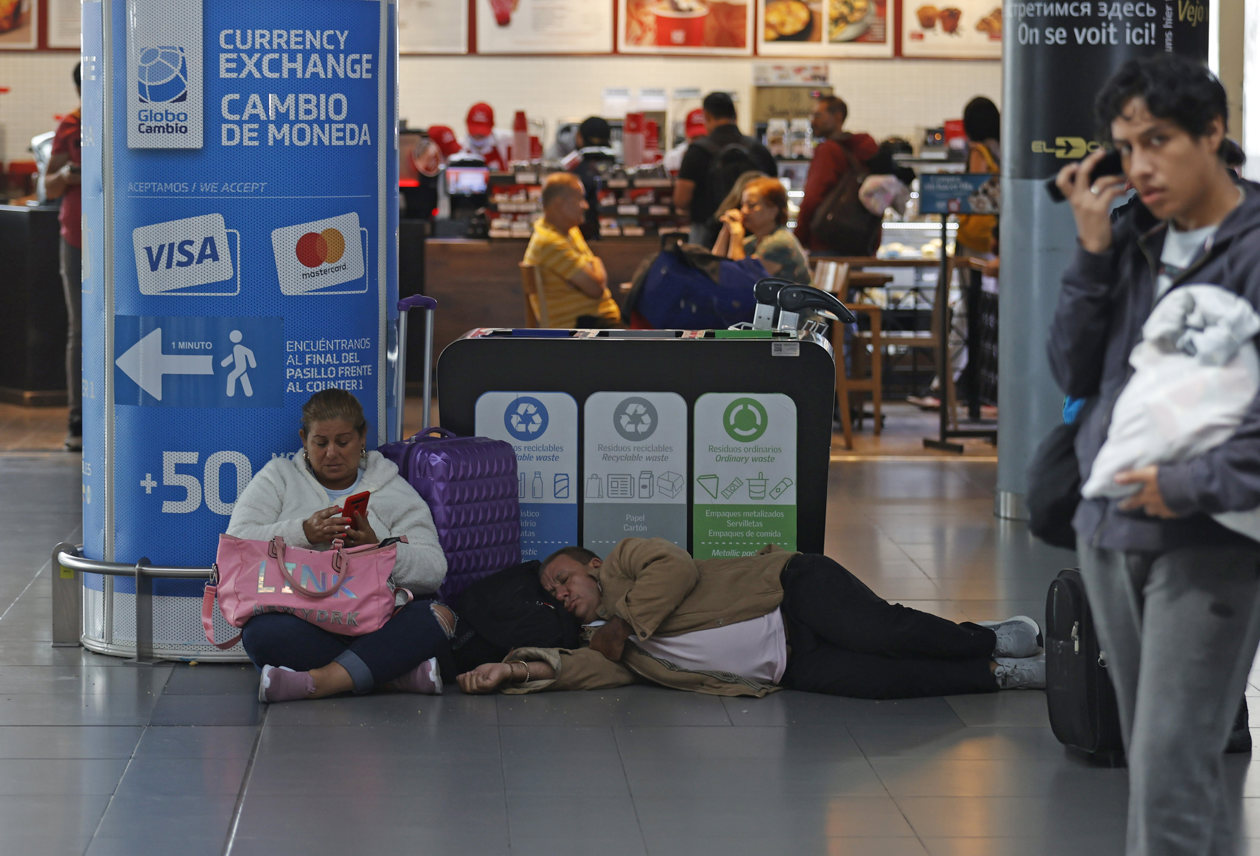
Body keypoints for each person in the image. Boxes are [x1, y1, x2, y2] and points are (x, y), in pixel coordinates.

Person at [1049, 54, 1260, 856]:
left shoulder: (1252, 247)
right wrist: (1093, 255)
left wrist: (1189, 484)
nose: (1141, 165)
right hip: (1110, 528)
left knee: (1174, 765)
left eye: (1160, 141)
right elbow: (1074, 370)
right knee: (1161, 764)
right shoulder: (1134, 240)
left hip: (1210, 533)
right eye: (1127, 147)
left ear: (1214, 134)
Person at [457, 538, 1044, 699]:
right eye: (551, 593)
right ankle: (996, 672)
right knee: (881, 682)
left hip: (788, 590)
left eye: (564, 578)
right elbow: (579, 672)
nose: (560, 593)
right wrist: (514, 672)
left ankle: (984, 636)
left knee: (880, 631)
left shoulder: (625, 563)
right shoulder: (607, 649)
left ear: (590, 563)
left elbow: (677, 566)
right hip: (786, 665)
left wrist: (623, 623)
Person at [226, 387, 453, 703]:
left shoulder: (391, 488)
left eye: (343, 442)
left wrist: (378, 550)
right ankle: (389, 675)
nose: (331, 452)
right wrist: (304, 532)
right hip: (303, 616)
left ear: (362, 437)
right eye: (321, 443)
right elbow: (237, 543)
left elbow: (433, 569)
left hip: (372, 619)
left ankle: (320, 681)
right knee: (260, 635)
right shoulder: (278, 478)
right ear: (304, 439)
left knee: (436, 616)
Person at [908, 97, 1001, 412]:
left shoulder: (978, 152)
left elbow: (971, 193)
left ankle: (947, 388)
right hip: (993, 243)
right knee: (985, 312)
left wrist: (957, 214)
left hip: (973, 242)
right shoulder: (1002, 150)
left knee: (965, 313)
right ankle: (979, 386)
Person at [674, 92, 777, 247]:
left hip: (708, 233)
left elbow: (681, 200)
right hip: (753, 233)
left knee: (702, 269)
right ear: (735, 115)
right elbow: (774, 192)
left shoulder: (697, 151)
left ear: (707, 116)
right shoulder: (759, 150)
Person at [522, 172, 622, 328]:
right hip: (580, 332)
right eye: (580, 199)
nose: (586, 205)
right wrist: (596, 263)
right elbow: (596, 288)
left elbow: (594, 281)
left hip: (594, 325)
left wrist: (593, 267)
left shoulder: (570, 231)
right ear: (559, 203)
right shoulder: (549, 242)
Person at [44, 62, 82, 451]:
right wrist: (71, 174)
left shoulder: (125, 118)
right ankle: (77, 418)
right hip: (76, 239)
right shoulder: (71, 126)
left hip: (120, 240)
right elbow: (49, 186)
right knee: (80, 329)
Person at [793, 94, 880, 255]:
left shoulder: (828, 150)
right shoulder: (865, 149)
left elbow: (812, 198)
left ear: (838, 116)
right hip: (859, 240)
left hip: (826, 242)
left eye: (818, 115)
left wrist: (799, 237)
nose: (813, 121)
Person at [712, 175, 811, 285]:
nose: (743, 211)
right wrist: (725, 232)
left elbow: (740, 281)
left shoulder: (780, 242)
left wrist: (736, 236)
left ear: (774, 210)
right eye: (742, 205)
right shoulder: (753, 242)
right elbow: (713, 270)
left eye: (751, 205)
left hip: (794, 302)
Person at [564, 116, 617, 241]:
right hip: (613, 235)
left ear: (579, 137)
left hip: (577, 235)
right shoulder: (616, 164)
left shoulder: (572, 165)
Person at [462, 101, 509, 170]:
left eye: (482, 135)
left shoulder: (503, 142)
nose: (478, 137)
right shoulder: (461, 148)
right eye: (474, 133)